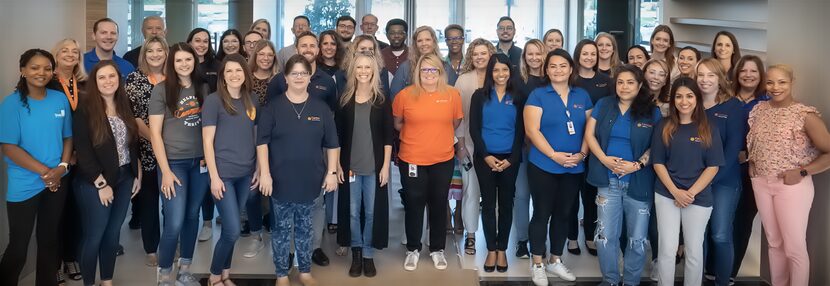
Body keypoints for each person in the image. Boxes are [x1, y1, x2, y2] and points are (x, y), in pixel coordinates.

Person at [256, 54, 340, 286]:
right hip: (280, 180)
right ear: (286, 78)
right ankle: (281, 274)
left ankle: (304, 271)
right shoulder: (272, 108)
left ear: (310, 77)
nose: (299, 77)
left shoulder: (320, 108)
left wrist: (331, 172)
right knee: (281, 230)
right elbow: (262, 143)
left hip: (311, 180)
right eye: (295, 73)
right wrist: (265, 173)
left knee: (306, 229)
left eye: (304, 73)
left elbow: (332, 144)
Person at [747, 64, 830, 286]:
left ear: (792, 82)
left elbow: (828, 152)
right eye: (770, 82)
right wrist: (751, 162)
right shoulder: (760, 110)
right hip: (761, 184)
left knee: (794, 247)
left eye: (782, 82)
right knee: (774, 243)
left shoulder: (805, 115)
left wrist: (803, 171)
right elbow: (758, 143)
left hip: (792, 187)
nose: (775, 87)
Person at [0, 49, 72, 286]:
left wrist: (60, 168)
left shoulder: (59, 99)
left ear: (53, 71)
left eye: (47, 68)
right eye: (34, 67)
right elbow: (9, 147)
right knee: (18, 245)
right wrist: (46, 172)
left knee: (49, 240)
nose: (41, 72)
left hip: (56, 182)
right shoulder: (11, 104)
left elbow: (67, 138)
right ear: (23, 70)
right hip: (25, 184)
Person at [585, 64, 661, 286]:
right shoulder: (604, 104)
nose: (624, 86)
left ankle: (631, 282)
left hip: (639, 182)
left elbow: (657, 146)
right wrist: (604, 159)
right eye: (620, 82)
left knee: (637, 239)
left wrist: (637, 165)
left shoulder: (652, 111)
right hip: (607, 180)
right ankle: (609, 280)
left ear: (639, 86)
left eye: (630, 82)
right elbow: (589, 135)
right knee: (606, 236)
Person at [524, 49, 591, 285]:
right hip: (544, 165)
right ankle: (538, 263)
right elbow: (532, 131)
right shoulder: (538, 95)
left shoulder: (582, 95)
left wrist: (582, 154)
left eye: (563, 66)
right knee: (542, 213)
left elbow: (589, 131)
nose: (558, 70)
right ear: (546, 70)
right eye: (553, 66)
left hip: (574, 166)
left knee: (564, 214)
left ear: (571, 69)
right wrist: (554, 155)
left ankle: (555, 260)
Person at [73, 60, 141, 286]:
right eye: (101, 77)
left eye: (112, 76)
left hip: (124, 178)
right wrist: (100, 184)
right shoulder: (85, 108)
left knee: (113, 235)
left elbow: (132, 144)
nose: (107, 81)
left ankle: (107, 281)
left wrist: (136, 173)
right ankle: (89, 283)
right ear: (94, 81)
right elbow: (82, 150)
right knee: (95, 236)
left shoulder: (124, 104)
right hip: (95, 182)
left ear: (119, 79)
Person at [652, 76, 724, 286]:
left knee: (693, 250)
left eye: (689, 96)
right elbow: (658, 163)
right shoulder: (664, 126)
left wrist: (689, 193)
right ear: (673, 99)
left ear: (697, 98)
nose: (684, 101)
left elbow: (713, 167)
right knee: (667, 248)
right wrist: (676, 192)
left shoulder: (709, 127)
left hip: (698, 196)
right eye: (679, 96)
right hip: (667, 194)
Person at [394, 53, 463, 272]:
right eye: (425, 70)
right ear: (418, 73)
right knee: (414, 203)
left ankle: (437, 249)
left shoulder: (452, 95)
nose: (429, 74)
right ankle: (413, 249)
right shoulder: (404, 96)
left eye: (434, 70)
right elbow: (398, 123)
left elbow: (455, 121)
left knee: (438, 202)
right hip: (412, 159)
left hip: (442, 159)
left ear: (441, 72)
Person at [149, 43, 209, 286]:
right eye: (179, 60)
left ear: (195, 60)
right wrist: (165, 172)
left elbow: (210, 127)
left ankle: (185, 269)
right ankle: (164, 273)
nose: (184, 64)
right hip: (174, 163)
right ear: (171, 64)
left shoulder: (204, 88)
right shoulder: (162, 90)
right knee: (174, 220)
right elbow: (154, 133)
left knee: (192, 215)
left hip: (200, 163)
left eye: (188, 59)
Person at [334, 53, 393, 278]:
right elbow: (337, 137)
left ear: (374, 70)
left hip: (374, 168)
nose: (363, 71)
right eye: (359, 67)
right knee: (352, 213)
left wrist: (386, 166)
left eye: (367, 67)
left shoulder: (381, 100)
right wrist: (338, 165)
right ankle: (356, 253)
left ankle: (368, 255)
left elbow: (388, 137)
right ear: (353, 70)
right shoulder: (345, 100)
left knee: (370, 212)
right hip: (350, 168)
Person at [202, 54, 259, 286]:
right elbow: (207, 142)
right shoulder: (214, 101)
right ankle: (214, 277)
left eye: (239, 70)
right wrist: (214, 178)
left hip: (246, 173)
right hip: (223, 175)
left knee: (230, 230)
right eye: (229, 71)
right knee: (233, 229)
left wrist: (258, 167)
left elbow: (255, 137)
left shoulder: (252, 99)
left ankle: (225, 274)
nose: (234, 75)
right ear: (223, 77)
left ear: (245, 74)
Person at [468, 54, 525, 273]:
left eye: (504, 70)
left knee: (507, 205)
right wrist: (486, 156)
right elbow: (474, 129)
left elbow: (521, 131)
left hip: (510, 159)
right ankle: (491, 249)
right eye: (495, 70)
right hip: (485, 158)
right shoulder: (479, 96)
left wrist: (511, 159)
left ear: (510, 72)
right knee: (489, 205)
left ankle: (503, 249)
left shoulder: (518, 96)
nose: (500, 74)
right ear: (490, 73)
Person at [697, 58, 746, 286]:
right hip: (694, 180)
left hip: (724, 181)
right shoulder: (691, 103)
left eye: (711, 75)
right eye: (701, 75)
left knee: (720, 234)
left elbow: (734, 147)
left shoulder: (734, 106)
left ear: (720, 79)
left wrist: (709, 179)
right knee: (698, 236)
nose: (705, 80)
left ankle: (723, 281)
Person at [125, 35, 168, 267]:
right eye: (150, 51)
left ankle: (171, 241)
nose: (155, 55)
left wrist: (167, 144)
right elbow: (134, 116)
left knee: (171, 202)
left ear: (165, 52)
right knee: (149, 201)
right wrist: (156, 140)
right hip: (147, 150)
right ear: (144, 54)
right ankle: (151, 248)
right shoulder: (134, 79)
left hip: (175, 151)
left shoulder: (174, 78)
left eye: (159, 50)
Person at [48, 38, 87, 283]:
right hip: (55, 156)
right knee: (55, 214)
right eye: (65, 50)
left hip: (80, 157)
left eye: (75, 51)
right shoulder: (47, 82)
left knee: (76, 210)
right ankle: (53, 263)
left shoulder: (84, 82)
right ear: (56, 55)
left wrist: (78, 153)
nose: (70, 54)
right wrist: (66, 155)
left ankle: (71, 257)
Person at [570, 39, 613, 256]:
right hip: (570, 143)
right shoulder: (570, 79)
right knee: (569, 194)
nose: (589, 57)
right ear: (577, 55)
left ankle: (589, 235)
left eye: (593, 54)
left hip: (597, 145)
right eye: (585, 53)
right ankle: (570, 237)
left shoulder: (606, 81)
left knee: (590, 194)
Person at [453, 38, 496, 255]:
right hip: (468, 144)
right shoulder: (463, 80)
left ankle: (494, 239)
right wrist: (460, 145)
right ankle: (471, 236)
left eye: (484, 53)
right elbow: (458, 116)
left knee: (493, 196)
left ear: (491, 55)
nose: (480, 57)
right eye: (476, 54)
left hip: (497, 146)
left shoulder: (500, 77)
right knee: (471, 191)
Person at [730, 55, 769, 284]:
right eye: (743, 70)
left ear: (760, 74)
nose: (748, 75)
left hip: (751, 172)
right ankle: (712, 268)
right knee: (721, 219)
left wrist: (749, 155)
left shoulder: (765, 102)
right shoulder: (726, 98)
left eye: (753, 71)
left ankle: (731, 272)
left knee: (743, 221)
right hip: (725, 168)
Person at [513, 38, 547, 259]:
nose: (534, 58)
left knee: (543, 198)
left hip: (547, 147)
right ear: (524, 56)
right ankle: (522, 241)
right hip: (522, 146)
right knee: (522, 195)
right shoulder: (517, 81)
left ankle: (540, 240)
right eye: (530, 54)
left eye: (538, 54)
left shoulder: (552, 80)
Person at [267, 31, 338, 111]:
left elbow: (331, 114)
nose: (308, 49)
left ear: (318, 50)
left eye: (312, 46)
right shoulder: (279, 80)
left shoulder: (328, 81)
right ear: (296, 50)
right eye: (304, 46)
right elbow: (270, 112)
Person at [390, 26, 459, 100]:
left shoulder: (445, 67)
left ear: (434, 42)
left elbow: (454, 95)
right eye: (419, 41)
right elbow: (395, 97)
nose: (424, 43)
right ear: (415, 44)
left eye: (428, 39)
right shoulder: (405, 67)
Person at [187, 28, 219, 93]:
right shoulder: (184, 65)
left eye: (205, 41)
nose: (202, 45)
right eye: (198, 41)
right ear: (190, 43)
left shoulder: (217, 65)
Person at [248, 40, 279, 105]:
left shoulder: (279, 79)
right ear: (255, 56)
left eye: (270, 55)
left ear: (274, 57)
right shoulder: (246, 78)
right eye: (261, 54)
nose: (266, 58)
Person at [380, 18, 408, 83]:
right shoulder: (380, 55)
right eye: (392, 33)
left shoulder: (414, 54)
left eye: (400, 33)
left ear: (406, 35)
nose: (396, 36)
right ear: (387, 35)